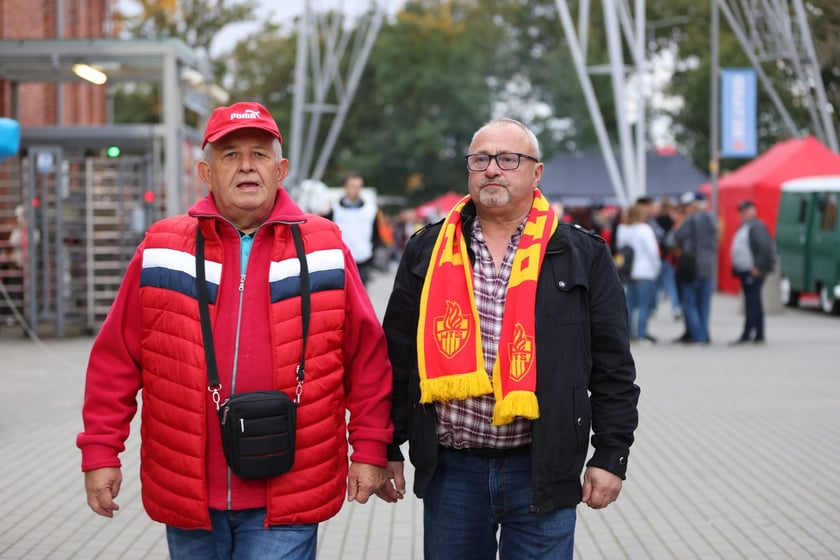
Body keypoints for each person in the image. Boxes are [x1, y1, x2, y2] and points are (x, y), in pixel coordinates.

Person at [76, 101, 394, 559]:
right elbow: (115, 360)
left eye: (259, 154)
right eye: (230, 155)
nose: (246, 165)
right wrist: (101, 453)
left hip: (289, 490)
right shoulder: (162, 248)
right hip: (188, 490)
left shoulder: (325, 246)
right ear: (206, 173)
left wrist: (368, 447)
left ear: (280, 169)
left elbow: (365, 358)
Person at [376, 118, 640, 559]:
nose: (492, 169)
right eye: (481, 159)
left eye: (508, 159)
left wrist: (611, 455)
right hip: (451, 470)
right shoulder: (429, 249)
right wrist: (384, 446)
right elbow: (396, 356)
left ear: (536, 173)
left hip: (542, 468)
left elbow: (613, 367)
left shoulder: (582, 253)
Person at [668, 191, 718, 344]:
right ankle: (703, 333)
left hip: (692, 265)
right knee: (704, 303)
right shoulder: (712, 219)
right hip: (708, 266)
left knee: (689, 302)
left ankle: (697, 336)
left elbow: (672, 240)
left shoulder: (690, 221)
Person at [729, 199, 775, 344]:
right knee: (753, 302)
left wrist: (758, 266)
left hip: (753, 271)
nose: (743, 214)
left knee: (752, 303)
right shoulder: (747, 226)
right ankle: (757, 333)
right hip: (747, 270)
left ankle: (749, 333)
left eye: (746, 210)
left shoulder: (756, 226)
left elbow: (763, 247)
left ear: (752, 211)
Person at [325, 172, 380, 286]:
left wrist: (372, 255)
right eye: (352, 186)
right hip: (341, 260)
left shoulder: (371, 210)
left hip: (363, 259)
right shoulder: (333, 209)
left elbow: (376, 235)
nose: (356, 190)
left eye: (359, 186)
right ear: (345, 187)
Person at [616, 203, 661, 344]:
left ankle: (628, 333)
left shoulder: (622, 229)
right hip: (645, 271)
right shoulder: (644, 229)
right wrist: (656, 267)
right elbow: (652, 252)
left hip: (628, 271)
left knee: (629, 304)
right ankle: (641, 334)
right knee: (643, 305)